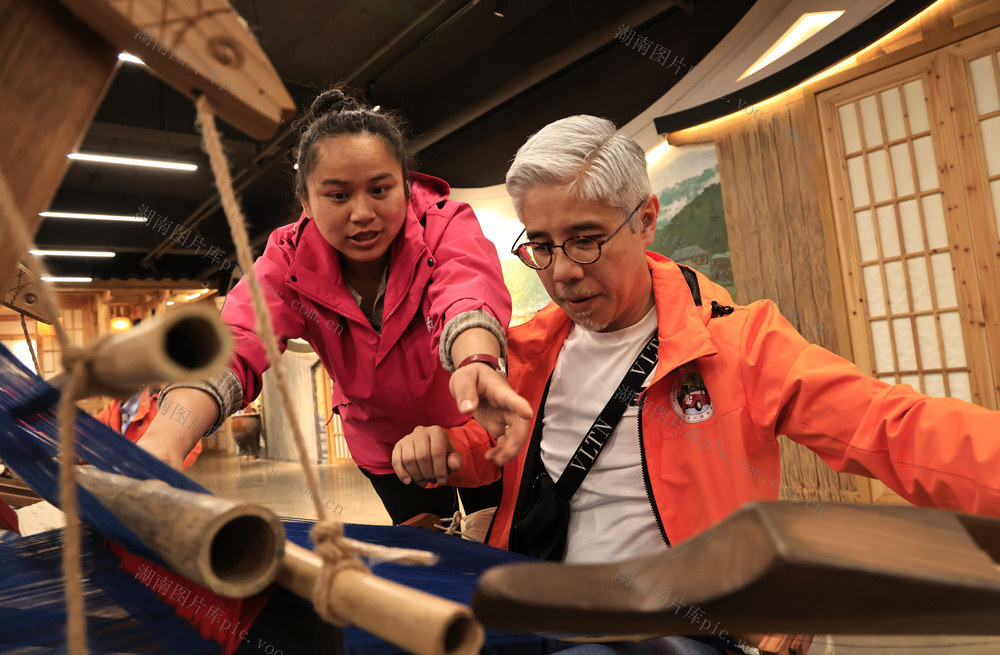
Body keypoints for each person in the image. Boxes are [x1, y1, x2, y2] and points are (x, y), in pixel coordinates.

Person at [391, 115, 1000, 654]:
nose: (564, 272)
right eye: (542, 247)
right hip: (539, 605)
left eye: (585, 239)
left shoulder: (739, 344)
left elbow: (890, 427)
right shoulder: (529, 352)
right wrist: (446, 451)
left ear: (646, 220)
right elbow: (492, 449)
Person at [138, 88, 531, 524]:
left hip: (474, 420)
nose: (362, 213)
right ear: (306, 202)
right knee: (427, 549)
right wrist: (167, 438)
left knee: (496, 535)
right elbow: (238, 338)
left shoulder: (444, 223)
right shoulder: (287, 261)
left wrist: (475, 358)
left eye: (380, 189)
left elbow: (466, 286)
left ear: (404, 185)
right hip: (384, 444)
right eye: (338, 196)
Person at [96, 386, 202, 470]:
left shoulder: (163, 406)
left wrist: (167, 461)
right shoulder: (115, 407)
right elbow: (92, 428)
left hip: (156, 478)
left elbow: (194, 446)